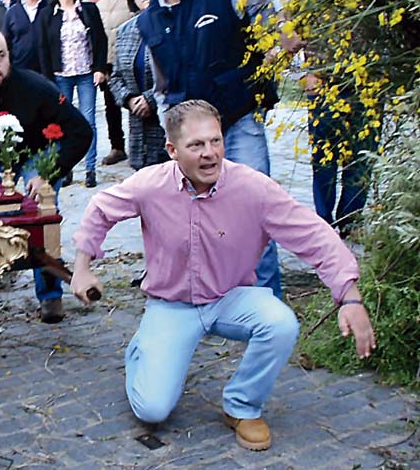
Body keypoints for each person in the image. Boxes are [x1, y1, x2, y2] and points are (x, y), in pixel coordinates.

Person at [70, 99, 376, 452]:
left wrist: (349, 295)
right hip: (172, 305)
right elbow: (99, 209)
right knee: (152, 409)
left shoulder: (253, 189)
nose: (209, 153)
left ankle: (242, 406)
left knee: (280, 323)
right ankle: (145, 349)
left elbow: (314, 235)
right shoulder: (150, 185)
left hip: (232, 298)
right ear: (172, 150)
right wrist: (82, 267)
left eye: (215, 141)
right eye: (196, 145)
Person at [136, 0, 302, 297]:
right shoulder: (148, 22)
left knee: (255, 212)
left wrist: (286, 23)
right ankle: (216, 298)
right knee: (200, 219)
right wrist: (171, 133)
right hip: (191, 140)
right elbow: (163, 86)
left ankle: (266, 305)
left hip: (238, 122)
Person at [0, 28, 93, 323]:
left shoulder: (36, 87)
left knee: (41, 216)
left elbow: (81, 132)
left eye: (1, 56)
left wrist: (51, 172)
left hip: (38, 152)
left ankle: (50, 295)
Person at [38, 0, 108, 188]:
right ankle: (66, 168)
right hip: (61, 77)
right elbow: (43, 48)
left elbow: (101, 40)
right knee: (63, 123)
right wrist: (47, 78)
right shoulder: (47, 14)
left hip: (86, 73)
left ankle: (90, 169)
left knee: (89, 121)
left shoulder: (88, 9)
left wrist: (100, 68)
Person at [108, 0, 168, 170]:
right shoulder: (126, 29)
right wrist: (129, 99)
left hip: (167, 121)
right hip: (137, 123)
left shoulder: (172, 24)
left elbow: (178, 70)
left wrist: (150, 98)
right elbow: (115, 76)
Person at [304, 73, 377, 238]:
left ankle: (351, 220)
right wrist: (304, 74)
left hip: (371, 81)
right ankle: (323, 221)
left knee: (362, 157)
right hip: (323, 80)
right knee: (324, 159)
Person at [87, 0, 134, 167]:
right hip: (105, 60)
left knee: (135, 101)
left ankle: (141, 144)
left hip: (128, 56)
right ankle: (117, 147)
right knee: (110, 105)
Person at [2, 0, 48, 73]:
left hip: (47, 72)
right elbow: (5, 43)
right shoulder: (12, 12)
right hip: (19, 71)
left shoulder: (50, 9)